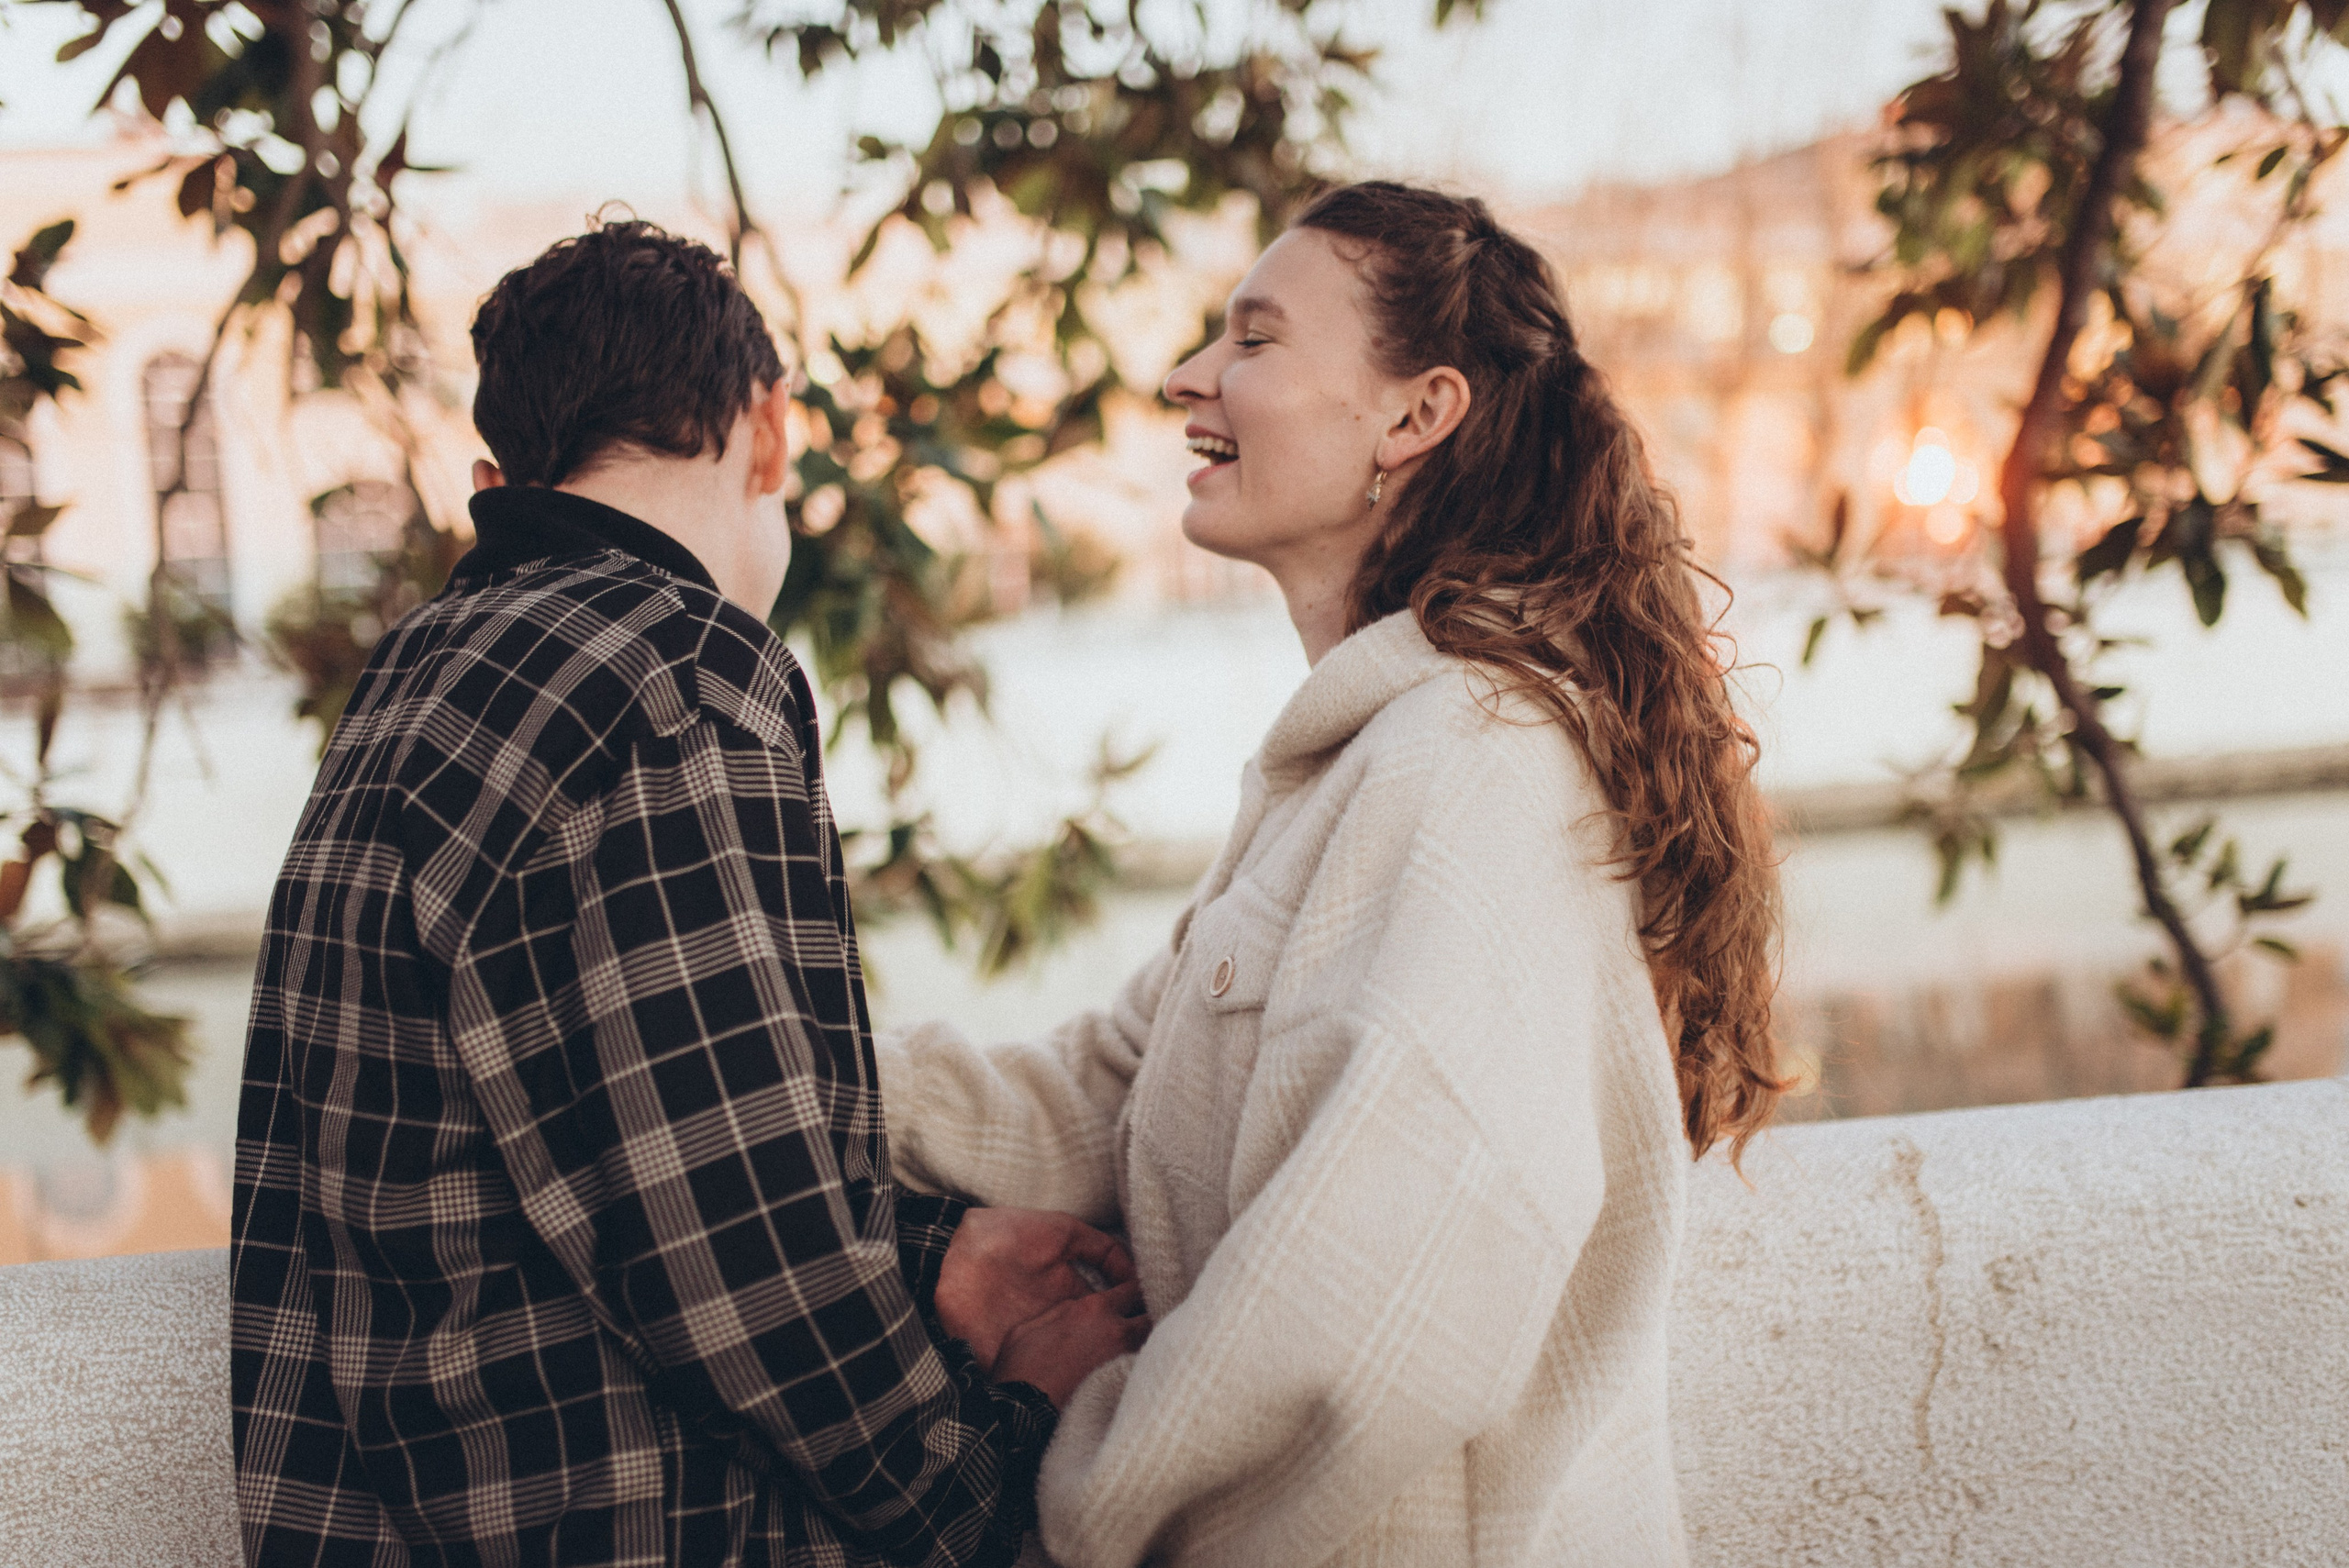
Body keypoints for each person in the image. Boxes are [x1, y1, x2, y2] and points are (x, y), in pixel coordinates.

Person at [876, 182, 1787, 1568]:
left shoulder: (1469, 767)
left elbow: (1369, 1315)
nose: (1187, 376)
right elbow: (1105, 1100)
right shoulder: (1364, 760)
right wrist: (776, 1089)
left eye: (1251, 338)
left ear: (1416, 414)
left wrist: (1085, 1481)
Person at [230, 217, 1146, 1567]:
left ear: (504, 473)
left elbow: (563, 1154)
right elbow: (738, 1245)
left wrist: (927, 1241)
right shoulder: (677, 677)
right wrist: (994, 1457)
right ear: (768, 431)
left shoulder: (415, 674)